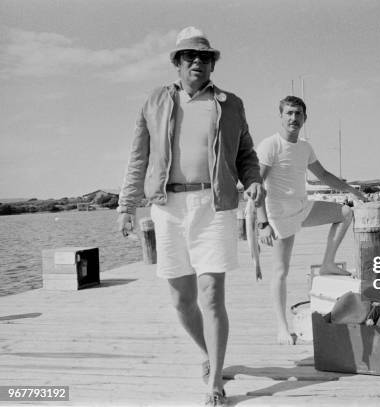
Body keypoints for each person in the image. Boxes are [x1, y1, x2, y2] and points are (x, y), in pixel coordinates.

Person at [116, 27, 271, 407]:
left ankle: (215, 382)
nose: (197, 62)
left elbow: (246, 154)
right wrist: (126, 206)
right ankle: (210, 354)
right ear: (177, 63)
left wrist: (252, 182)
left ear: (212, 63)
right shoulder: (154, 101)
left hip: (213, 205)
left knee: (211, 295)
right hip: (167, 208)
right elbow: (139, 158)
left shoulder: (230, 103)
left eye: (204, 57)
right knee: (181, 299)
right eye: (189, 57)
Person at [257, 96, 368, 345]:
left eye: (298, 114)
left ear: (305, 118)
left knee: (345, 213)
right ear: (281, 116)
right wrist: (262, 223)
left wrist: (352, 191)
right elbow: (255, 186)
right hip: (278, 217)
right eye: (289, 113)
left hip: (303, 208)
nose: (293, 118)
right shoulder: (270, 145)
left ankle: (328, 263)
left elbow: (325, 175)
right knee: (281, 271)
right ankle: (282, 328)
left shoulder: (304, 147)